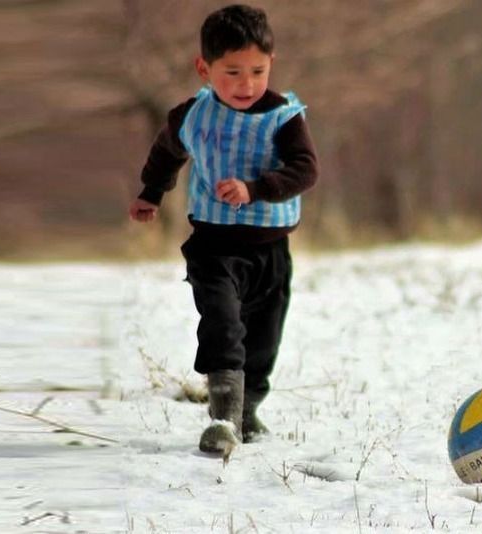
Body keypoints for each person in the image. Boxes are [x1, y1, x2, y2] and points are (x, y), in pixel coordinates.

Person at [128, 4, 318, 455]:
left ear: (272, 63)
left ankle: (248, 410)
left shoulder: (284, 117)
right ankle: (223, 418)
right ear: (204, 67)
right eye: (232, 72)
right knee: (223, 325)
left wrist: (257, 189)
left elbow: (305, 170)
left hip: (270, 249)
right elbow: (167, 152)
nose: (246, 84)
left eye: (257, 70)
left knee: (264, 337)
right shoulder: (192, 116)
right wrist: (151, 192)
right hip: (212, 245)